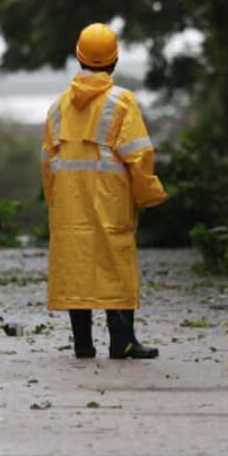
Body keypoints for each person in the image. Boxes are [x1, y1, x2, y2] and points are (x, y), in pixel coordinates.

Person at [41, 22, 167, 359]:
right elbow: (139, 155)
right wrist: (149, 193)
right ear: (115, 60)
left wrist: (55, 203)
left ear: (78, 57)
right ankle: (123, 341)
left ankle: (83, 343)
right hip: (111, 203)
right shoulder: (122, 102)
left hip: (70, 205)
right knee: (116, 266)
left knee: (76, 266)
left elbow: (47, 162)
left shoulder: (58, 106)